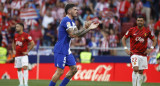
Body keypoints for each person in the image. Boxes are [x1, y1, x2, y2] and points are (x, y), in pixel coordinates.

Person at [49, 3, 99, 86]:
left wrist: (86, 28)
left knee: (74, 69)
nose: (77, 11)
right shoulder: (66, 20)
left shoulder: (72, 22)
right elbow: (73, 34)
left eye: (77, 9)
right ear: (69, 11)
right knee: (60, 71)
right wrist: (88, 28)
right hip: (61, 48)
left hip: (66, 49)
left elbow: (78, 35)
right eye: (75, 9)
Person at [122, 15, 156, 86]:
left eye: (141, 20)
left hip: (143, 54)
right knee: (136, 69)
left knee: (141, 71)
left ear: (143, 21)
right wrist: (126, 49)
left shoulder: (147, 31)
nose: (139, 22)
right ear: (136, 21)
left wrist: (150, 49)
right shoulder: (132, 30)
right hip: (134, 53)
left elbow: (154, 40)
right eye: (138, 20)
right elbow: (123, 38)